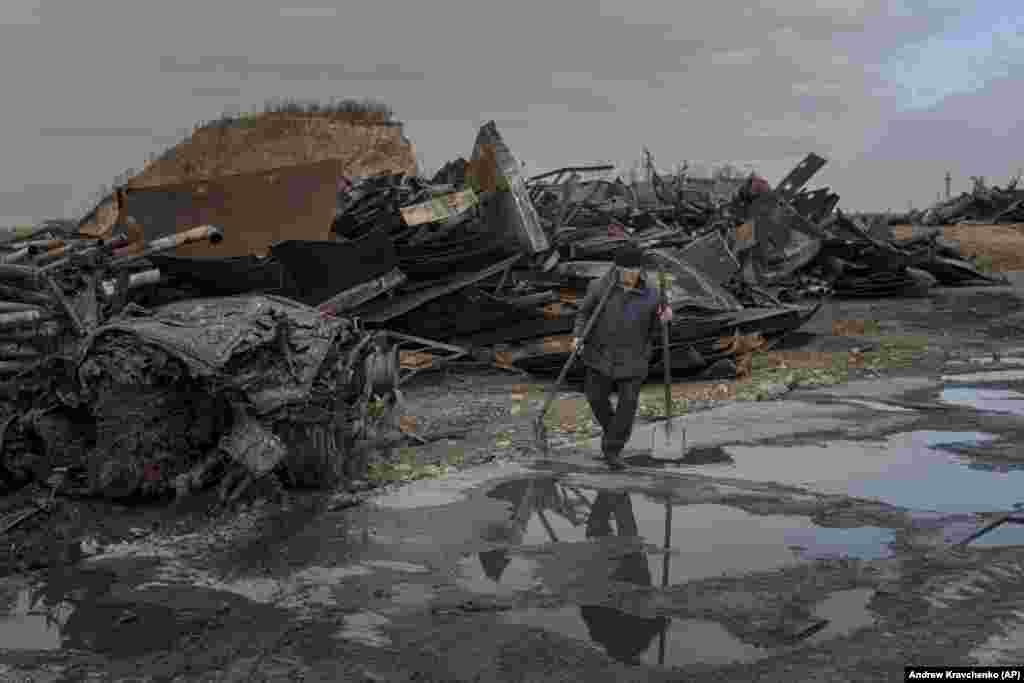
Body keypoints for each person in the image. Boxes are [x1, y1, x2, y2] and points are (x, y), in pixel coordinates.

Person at [572, 245, 673, 470]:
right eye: (625, 271)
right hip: (600, 354)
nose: (630, 275)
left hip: (634, 357)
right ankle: (614, 432)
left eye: (634, 270)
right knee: (595, 397)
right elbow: (584, 313)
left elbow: (656, 329)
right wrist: (578, 336)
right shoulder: (599, 287)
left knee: (627, 404)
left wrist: (665, 319)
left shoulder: (653, 293)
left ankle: (612, 449)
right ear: (616, 269)